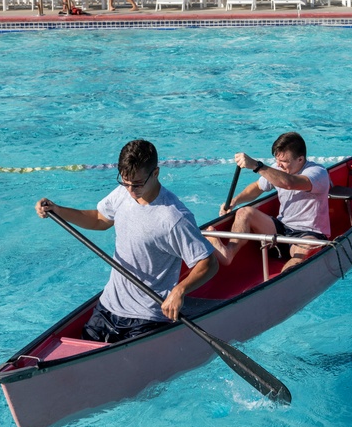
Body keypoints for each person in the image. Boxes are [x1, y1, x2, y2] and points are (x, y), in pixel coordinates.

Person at [35, 139, 217, 343]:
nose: (131, 190)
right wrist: (58, 210)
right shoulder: (123, 194)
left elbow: (208, 263)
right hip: (107, 307)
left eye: (137, 184)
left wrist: (179, 291)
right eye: (125, 182)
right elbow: (98, 220)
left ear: (155, 173)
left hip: (146, 318)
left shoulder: (174, 218)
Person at [206, 132, 330, 273]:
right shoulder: (278, 169)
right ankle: (228, 253)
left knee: (307, 247)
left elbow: (289, 183)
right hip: (281, 228)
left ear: (300, 159)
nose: (278, 165)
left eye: (284, 162)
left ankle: (281, 281)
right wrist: (235, 201)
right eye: (277, 160)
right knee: (244, 212)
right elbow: (257, 187)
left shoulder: (317, 173)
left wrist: (256, 166)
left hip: (308, 233)